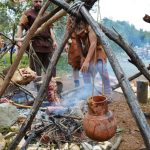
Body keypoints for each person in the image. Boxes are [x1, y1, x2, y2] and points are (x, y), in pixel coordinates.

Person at [67, 17, 111, 96]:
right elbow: (79, 44)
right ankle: (89, 91)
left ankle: (108, 92)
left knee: (101, 68)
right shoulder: (75, 27)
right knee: (85, 71)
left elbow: (93, 44)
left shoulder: (90, 26)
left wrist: (87, 61)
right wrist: (82, 57)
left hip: (97, 50)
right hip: (87, 51)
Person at [16, 0, 57, 77]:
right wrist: (19, 42)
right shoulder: (27, 13)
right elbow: (21, 26)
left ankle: (52, 86)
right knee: (35, 70)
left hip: (48, 45)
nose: (38, 3)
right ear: (32, 1)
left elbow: (51, 29)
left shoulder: (47, 14)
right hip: (34, 45)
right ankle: (38, 88)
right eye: (36, 1)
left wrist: (54, 41)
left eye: (40, 1)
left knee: (51, 68)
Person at [65, 16, 82, 87]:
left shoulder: (82, 19)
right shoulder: (70, 20)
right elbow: (67, 32)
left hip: (83, 42)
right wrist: (66, 43)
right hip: (74, 44)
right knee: (75, 66)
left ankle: (88, 83)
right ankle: (77, 83)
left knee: (86, 64)